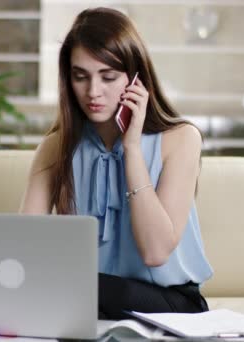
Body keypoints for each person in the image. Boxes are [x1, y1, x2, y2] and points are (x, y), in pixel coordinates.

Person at [19, 7, 213, 319]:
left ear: (136, 79)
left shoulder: (182, 139)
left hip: (168, 304)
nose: (93, 92)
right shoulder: (56, 147)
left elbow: (155, 251)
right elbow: (23, 246)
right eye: (80, 77)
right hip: (87, 298)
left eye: (108, 77)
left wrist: (132, 148)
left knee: (92, 289)